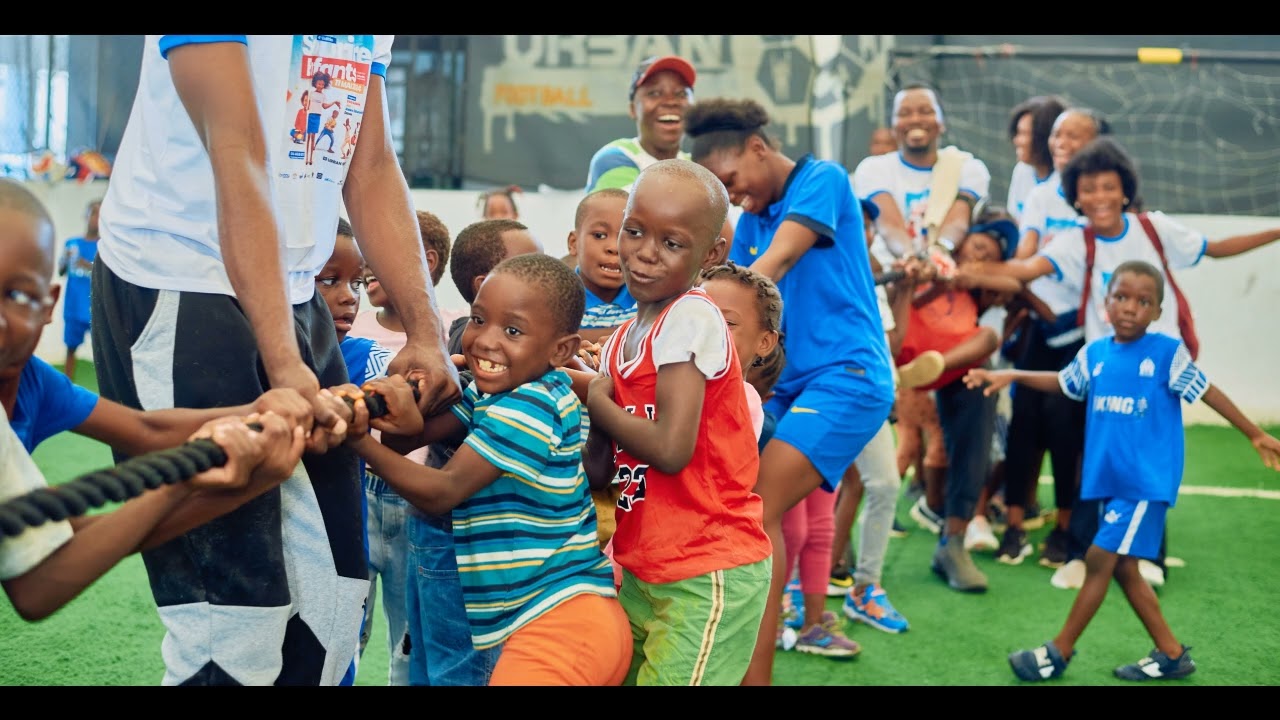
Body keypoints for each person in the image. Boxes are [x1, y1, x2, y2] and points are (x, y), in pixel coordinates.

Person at [91, 35, 459, 686]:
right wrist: (285, 365)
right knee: (232, 622)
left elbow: (368, 164)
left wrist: (426, 334)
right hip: (180, 283)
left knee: (336, 606)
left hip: (292, 293)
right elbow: (239, 154)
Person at [972, 135, 1280, 591]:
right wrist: (958, 272)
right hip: (1106, 371)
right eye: (1089, 188)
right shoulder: (1075, 242)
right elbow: (1023, 272)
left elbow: (1215, 247)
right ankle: (1080, 551)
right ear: (1075, 194)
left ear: (1125, 189)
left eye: (1109, 187)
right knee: (1093, 459)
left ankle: (1150, 554)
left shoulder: (1153, 229)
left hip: (1158, 371)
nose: (1099, 198)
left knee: (1149, 460)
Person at [0, 176, 306, 623]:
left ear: (49, 305)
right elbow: (36, 586)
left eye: (16, 295)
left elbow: (145, 431)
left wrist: (260, 416)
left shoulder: (32, 382)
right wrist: (181, 485)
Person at [964, 260, 1280, 682]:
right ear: (1105, 304)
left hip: (1144, 484)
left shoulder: (1166, 353)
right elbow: (1064, 381)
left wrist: (1254, 434)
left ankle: (1057, 652)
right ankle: (1171, 654)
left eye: (1143, 301)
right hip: (1111, 483)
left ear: (1157, 312)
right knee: (1125, 568)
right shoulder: (1095, 354)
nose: (1131, 307)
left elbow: (1206, 390)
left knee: (1098, 559)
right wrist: (1012, 374)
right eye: (1122, 297)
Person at [687, 99, 894, 685]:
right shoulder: (752, 219)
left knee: (758, 506)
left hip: (846, 378)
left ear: (757, 147)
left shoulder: (822, 179)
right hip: (784, 384)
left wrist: (690, 314)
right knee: (757, 510)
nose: (734, 198)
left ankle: (756, 675)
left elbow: (771, 267)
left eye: (730, 181)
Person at [355, 252, 632, 686]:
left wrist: (356, 441)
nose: (484, 341)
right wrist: (400, 410)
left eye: (513, 330)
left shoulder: (530, 404)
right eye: (479, 320)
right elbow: (407, 441)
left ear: (560, 350)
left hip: (557, 624)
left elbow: (442, 490)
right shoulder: (498, 394)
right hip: (552, 618)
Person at [579, 158, 771, 685]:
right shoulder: (621, 340)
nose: (644, 252)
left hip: (706, 566)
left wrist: (600, 404)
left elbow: (669, 448)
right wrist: (598, 409)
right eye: (635, 231)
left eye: (671, 242)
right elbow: (601, 472)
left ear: (711, 255)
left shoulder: (691, 314)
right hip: (646, 563)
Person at [850, 83, 999, 596]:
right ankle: (839, 545)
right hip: (892, 308)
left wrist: (937, 252)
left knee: (979, 393)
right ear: (893, 125)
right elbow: (888, 224)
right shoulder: (873, 170)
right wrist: (910, 258)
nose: (915, 118)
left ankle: (953, 539)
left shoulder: (967, 167)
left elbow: (958, 219)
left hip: (947, 308)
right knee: (857, 416)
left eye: (924, 110)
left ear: (941, 121)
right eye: (904, 111)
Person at [585, 54, 735, 258]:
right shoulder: (615, 158)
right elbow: (635, 232)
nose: (670, 102)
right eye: (654, 93)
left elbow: (723, 240)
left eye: (681, 94)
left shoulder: (698, 168)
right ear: (632, 108)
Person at [55, 198, 100, 381]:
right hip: (73, 307)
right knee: (70, 349)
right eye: (93, 213)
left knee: (102, 355)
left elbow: (106, 276)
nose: (96, 218)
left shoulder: (104, 246)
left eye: (100, 214)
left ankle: (106, 394)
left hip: (95, 309)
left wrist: (87, 265)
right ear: (86, 215)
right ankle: (67, 387)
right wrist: (65, 259)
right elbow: (61, 272)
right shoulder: (71, 243)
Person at [1006, 95, 1066, 222]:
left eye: (1024, 133)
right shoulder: (1022, 171)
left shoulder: (1065, 180)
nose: (1016, 140)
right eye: (1017, 132)